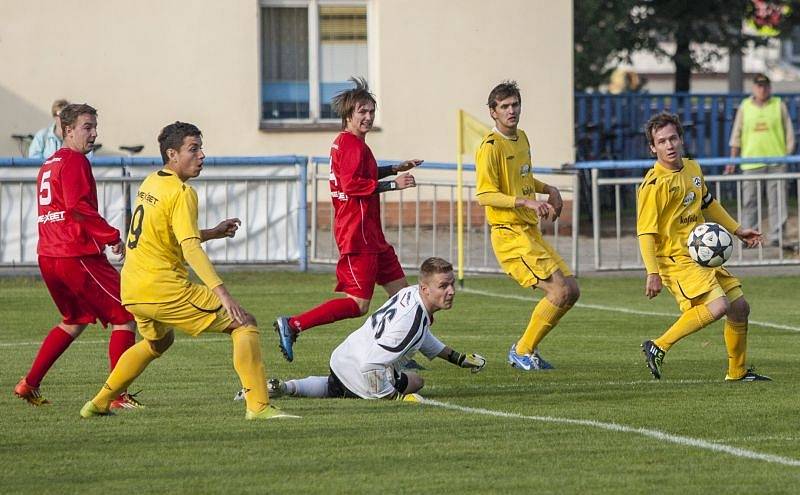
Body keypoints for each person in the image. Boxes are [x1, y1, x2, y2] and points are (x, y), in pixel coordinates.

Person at [80, 121, 297, 420]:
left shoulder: (152, 182)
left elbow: (169, 234)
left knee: (159, 342)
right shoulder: (182, 192)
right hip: (162, 287)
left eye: (201, 148)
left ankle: (99, 402)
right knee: (243, 322)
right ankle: (258, 406)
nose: (202, 155)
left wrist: (212, 232)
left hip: (132, 288)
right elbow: (189, 248)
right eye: (193, 149)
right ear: (172, 154)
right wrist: (222, 293)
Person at [274, 77, 421, 362]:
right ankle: (293, 324)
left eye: (371, 111)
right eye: (361, 112)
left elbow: (360, 175)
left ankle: (400, 351)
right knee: (357, 304)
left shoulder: (352, 145)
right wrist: (394, 184)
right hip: (358, 236)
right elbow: (352, 185)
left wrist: (392, 169)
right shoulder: (351, 144)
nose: (367, 117)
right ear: (348, 115)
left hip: (372, 236)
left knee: (404, 297)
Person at [14, 103, 139, 409]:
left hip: (49, 255)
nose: (94, 133)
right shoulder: (74, 161)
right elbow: (77, 207)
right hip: (76, 254)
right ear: (68, 130)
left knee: (74, 319)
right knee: (126, 316)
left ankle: (28, 384)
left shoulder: (49, 163)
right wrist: (110, 236)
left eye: (95, 126)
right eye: (87, 127)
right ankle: (116, 397)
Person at [638, 112, 770, 382]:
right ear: (653, 148)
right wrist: (652, 272)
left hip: (702, 256)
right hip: (675, 259)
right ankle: (659, 345)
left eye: (673, 138)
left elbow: (708, 203)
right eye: (661, 141)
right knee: (719, 306)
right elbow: (645, 233)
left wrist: (738, 230)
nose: (669, 145)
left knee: (739, 307)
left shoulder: (693, 168)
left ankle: (737, 372)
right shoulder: (654, 185)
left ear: (681, 139)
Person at [266, 257, 485, 401]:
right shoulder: (411, 321)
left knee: (334, 387)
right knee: (416, 381)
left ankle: (286, 387)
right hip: (363, 371)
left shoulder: (410, 294)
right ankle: (370, 387)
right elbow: (371, 365)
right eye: (443, 286)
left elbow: (422, 336)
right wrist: (394, 397)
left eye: (452, 284)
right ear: (425, 289)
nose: (451, 291)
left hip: (343, 357)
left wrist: (458, 358)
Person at [475, 80, 579, 371]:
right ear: (493, 112)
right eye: (504, 106)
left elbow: (523, 179)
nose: (511, 111)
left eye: (515, 105)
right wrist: (526, 203)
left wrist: (549, 189)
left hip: (529, 232)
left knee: (572, 290)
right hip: (510, 235)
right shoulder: (489, 147)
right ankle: (522, 350)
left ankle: (525, 350)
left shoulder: (521, 137)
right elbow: (485, 194)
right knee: (558, 292)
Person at [725, 73, 795, 247]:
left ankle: (777, 237)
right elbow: (737, 134)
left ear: (769, 88)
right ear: (754, 88)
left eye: (765, 86)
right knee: (749, 201)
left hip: (776, 162)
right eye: (759, 86)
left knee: (778, 201)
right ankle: (750, 237)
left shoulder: (779, 105)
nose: (762, 89)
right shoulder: (745, 106)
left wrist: (786, 154)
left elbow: (789, 133)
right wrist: (732, 160)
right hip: (751, 162)